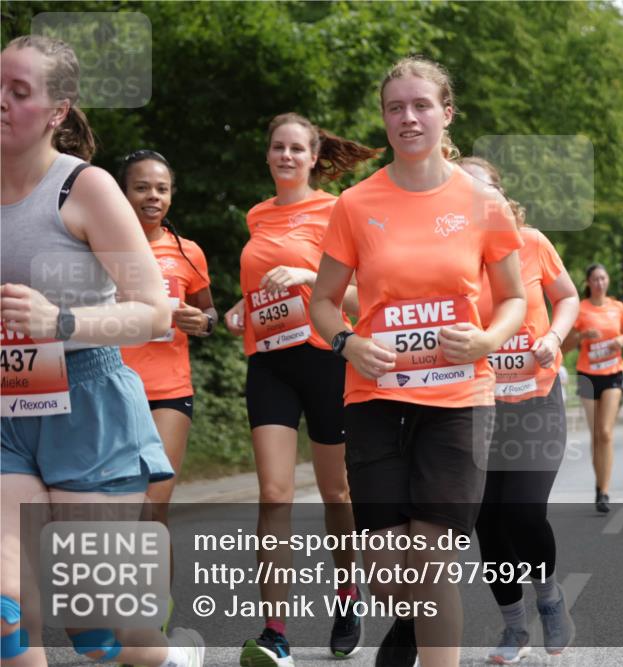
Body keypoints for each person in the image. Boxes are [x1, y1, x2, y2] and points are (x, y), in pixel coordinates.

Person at [309, 57, 527, 667]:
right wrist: (346, 343)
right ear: (384, 118)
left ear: (446, 113)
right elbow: (323, 303)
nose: (408, 117)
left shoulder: (482, 202)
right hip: (376, 398)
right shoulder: (354, 203)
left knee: (433, 559)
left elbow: (512, 298)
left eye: (421, 105)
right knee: (384, 573)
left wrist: (486, 341)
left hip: (458, 399)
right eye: (395, 107)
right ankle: (408, 622)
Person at [0, 35, 203, 667]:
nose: (0, 101)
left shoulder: (84, 190)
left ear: (58, 110)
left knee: (107, 629)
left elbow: (150, 313)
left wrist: (59, 321)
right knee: (7, 613)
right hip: (7, 405)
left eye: (19, 92)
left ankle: (172, 658)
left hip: (88, 406)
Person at [223, 112, 378, 666]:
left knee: (337, 493)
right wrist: (244, 306)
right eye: (277, 147)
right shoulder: (257, 215)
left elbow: (363, 296)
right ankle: (275, 632)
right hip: (269, 364)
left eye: (297, 149)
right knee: (275, 493)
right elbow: (263, 283)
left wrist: (308, 277)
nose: (286, 156)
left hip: (326, 361)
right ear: (268, 155)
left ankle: (346, 596)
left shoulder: (338, 209)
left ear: (315, 158)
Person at [458, 157, 580, 664]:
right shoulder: (451, 258)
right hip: (479, 406)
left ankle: (549, 598)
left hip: (536, 400)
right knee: (487, 520)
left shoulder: (532, 244)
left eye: (482, 191)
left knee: (523, 510)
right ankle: (513, 627)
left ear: (502, 198)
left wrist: (553, 336)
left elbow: (568, 297)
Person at [118, 151, 216, 619]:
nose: (152, 196)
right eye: (141, 187)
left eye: (161, 188)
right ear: (122, 192)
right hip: (109, 388)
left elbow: (210, 312)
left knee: (151, 506)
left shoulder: (187, 251)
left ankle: (156, 615)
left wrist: (203, 321)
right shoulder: (95, 246)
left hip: (169, 390)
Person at [562, 264, 623, 513]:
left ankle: (604, 491)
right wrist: (582, 337)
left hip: (612, 372)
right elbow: (564, 345)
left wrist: (621, 340)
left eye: (603, 278)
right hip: (588, 376)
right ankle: (599, 484)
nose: (600, 283)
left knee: (605, 432)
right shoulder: (580, 309)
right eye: (595, 279)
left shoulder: (618, 308)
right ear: (588, 282)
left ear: (608, 281)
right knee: (596, 435)